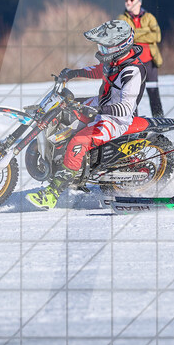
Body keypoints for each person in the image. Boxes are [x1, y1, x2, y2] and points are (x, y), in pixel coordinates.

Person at [26, 20, 147, 210]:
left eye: (105, 47)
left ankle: (52, 194)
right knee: (64, 109)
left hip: (116, 118)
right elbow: (100, 70)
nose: (101, 50)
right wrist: (75, 73)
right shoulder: (115, 61)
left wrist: (98, 110)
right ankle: (61, 159)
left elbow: (125, 108)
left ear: (120, 45)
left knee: (79, 141)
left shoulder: (132, 71)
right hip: (101, 104)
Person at [118, 0, 164, 117]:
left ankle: (159, 122)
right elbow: (124, 36)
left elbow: (157, 36)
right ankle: (133, 125)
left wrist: (135, 34)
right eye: (126, 0)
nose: (127, 2)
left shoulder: (149, 17)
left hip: (150, 63)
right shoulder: (121, 18)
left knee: (154, 94)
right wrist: (145, 32)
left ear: (138, 1)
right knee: (132, 96)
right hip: (131, 63)